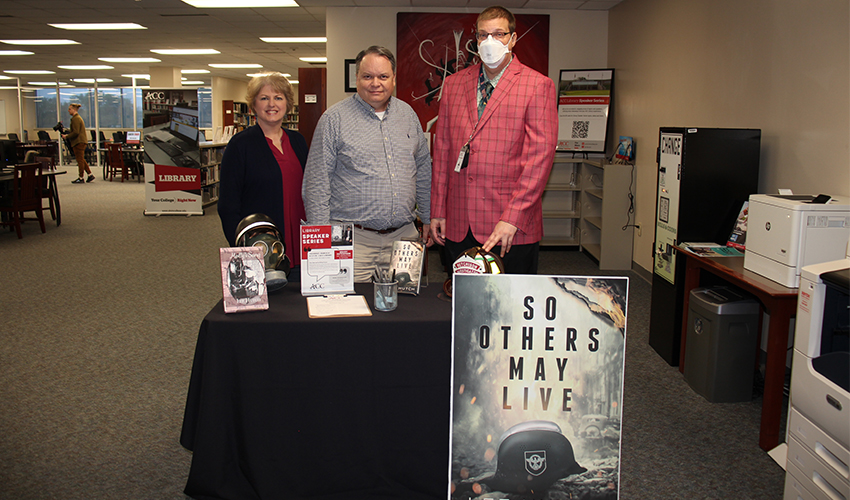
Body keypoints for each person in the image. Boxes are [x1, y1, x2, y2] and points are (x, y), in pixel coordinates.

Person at [430, 5, 558, 274]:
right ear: (476, 40)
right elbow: (442, 151)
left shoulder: (537, 86)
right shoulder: (454, 84)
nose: (490, 41)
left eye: (499, 34)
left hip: (509, 226)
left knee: (508, 310)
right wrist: (438, 210)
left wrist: (512, 218)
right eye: (483, 34)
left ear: (513, 38)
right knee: (461, 307)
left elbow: (539, 160)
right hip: (458, 221)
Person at [302, 45, 432, 283]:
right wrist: (320, 241)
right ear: (357, 78)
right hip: (352, 241)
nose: (376, 83)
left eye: (383, 76)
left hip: (404, 240)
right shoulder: (334, 119)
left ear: (394, 79)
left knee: (407, 313)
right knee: (347, 312)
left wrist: (429, 217)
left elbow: (423, 170)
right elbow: (316, 184)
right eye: (368, 76)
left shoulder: (408, 115)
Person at [218, 72, 308, 278]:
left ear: (287, 103)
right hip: (262, 243)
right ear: (254, 105)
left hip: (301, 238)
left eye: (278, 98)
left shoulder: (298, 141)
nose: (271, 104)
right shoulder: (240, 145)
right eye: (264, 98)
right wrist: (243, 249)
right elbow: (227, 205)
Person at [62, 103, 94, 184]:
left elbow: (76, 132)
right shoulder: (77, 118)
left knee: (79, 160)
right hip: (81, 141)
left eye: (69, 109)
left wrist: (67, 136)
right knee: (81, 159)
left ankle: (81, 177)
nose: (68, 111)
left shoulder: (75, 119)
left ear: (74, 109)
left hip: (78, 141)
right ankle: (90, 174)